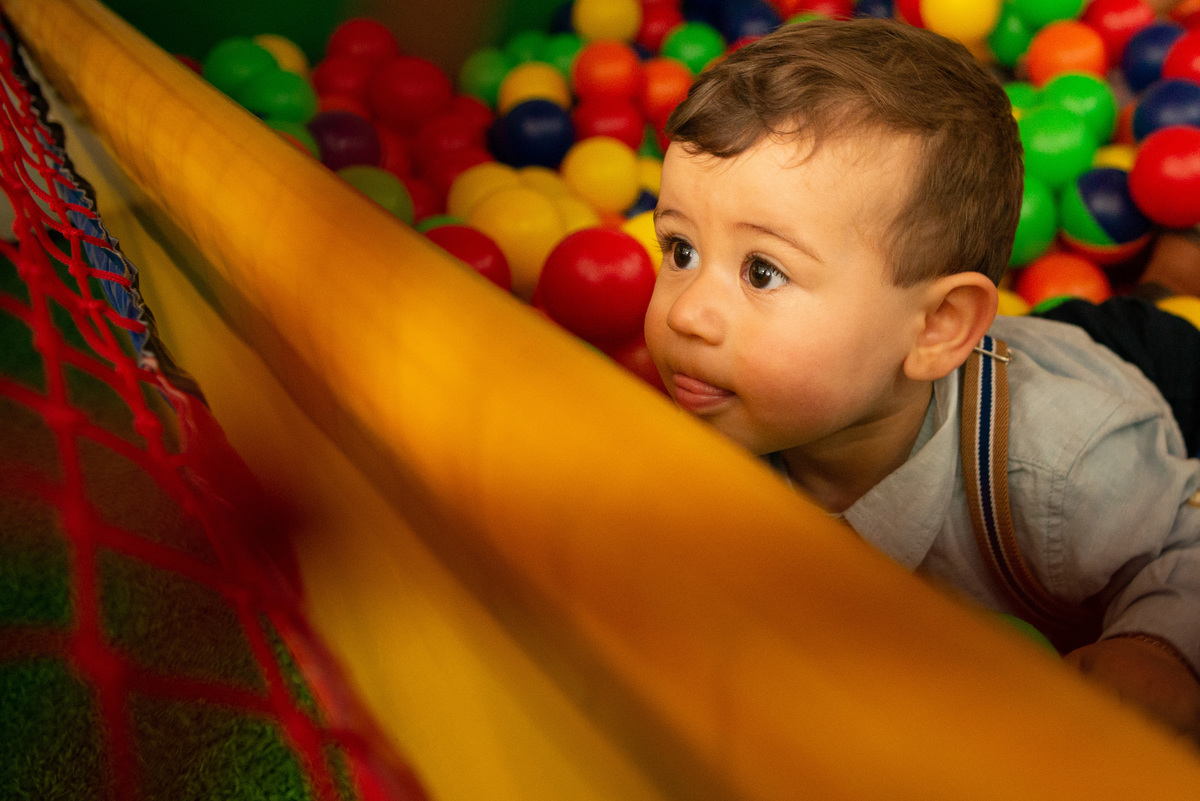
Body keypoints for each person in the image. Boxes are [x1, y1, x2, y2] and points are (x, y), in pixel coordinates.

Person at [643, 17, 1200, 741]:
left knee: (1160, 319)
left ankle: (1170, 272)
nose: (688, 313)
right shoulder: (719, 407)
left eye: (762, 271)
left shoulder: (1062, 469)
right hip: (989, 342)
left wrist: (1156, 647)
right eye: (680, 249)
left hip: (1139, 369)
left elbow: (1185, 537)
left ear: (934, 325)